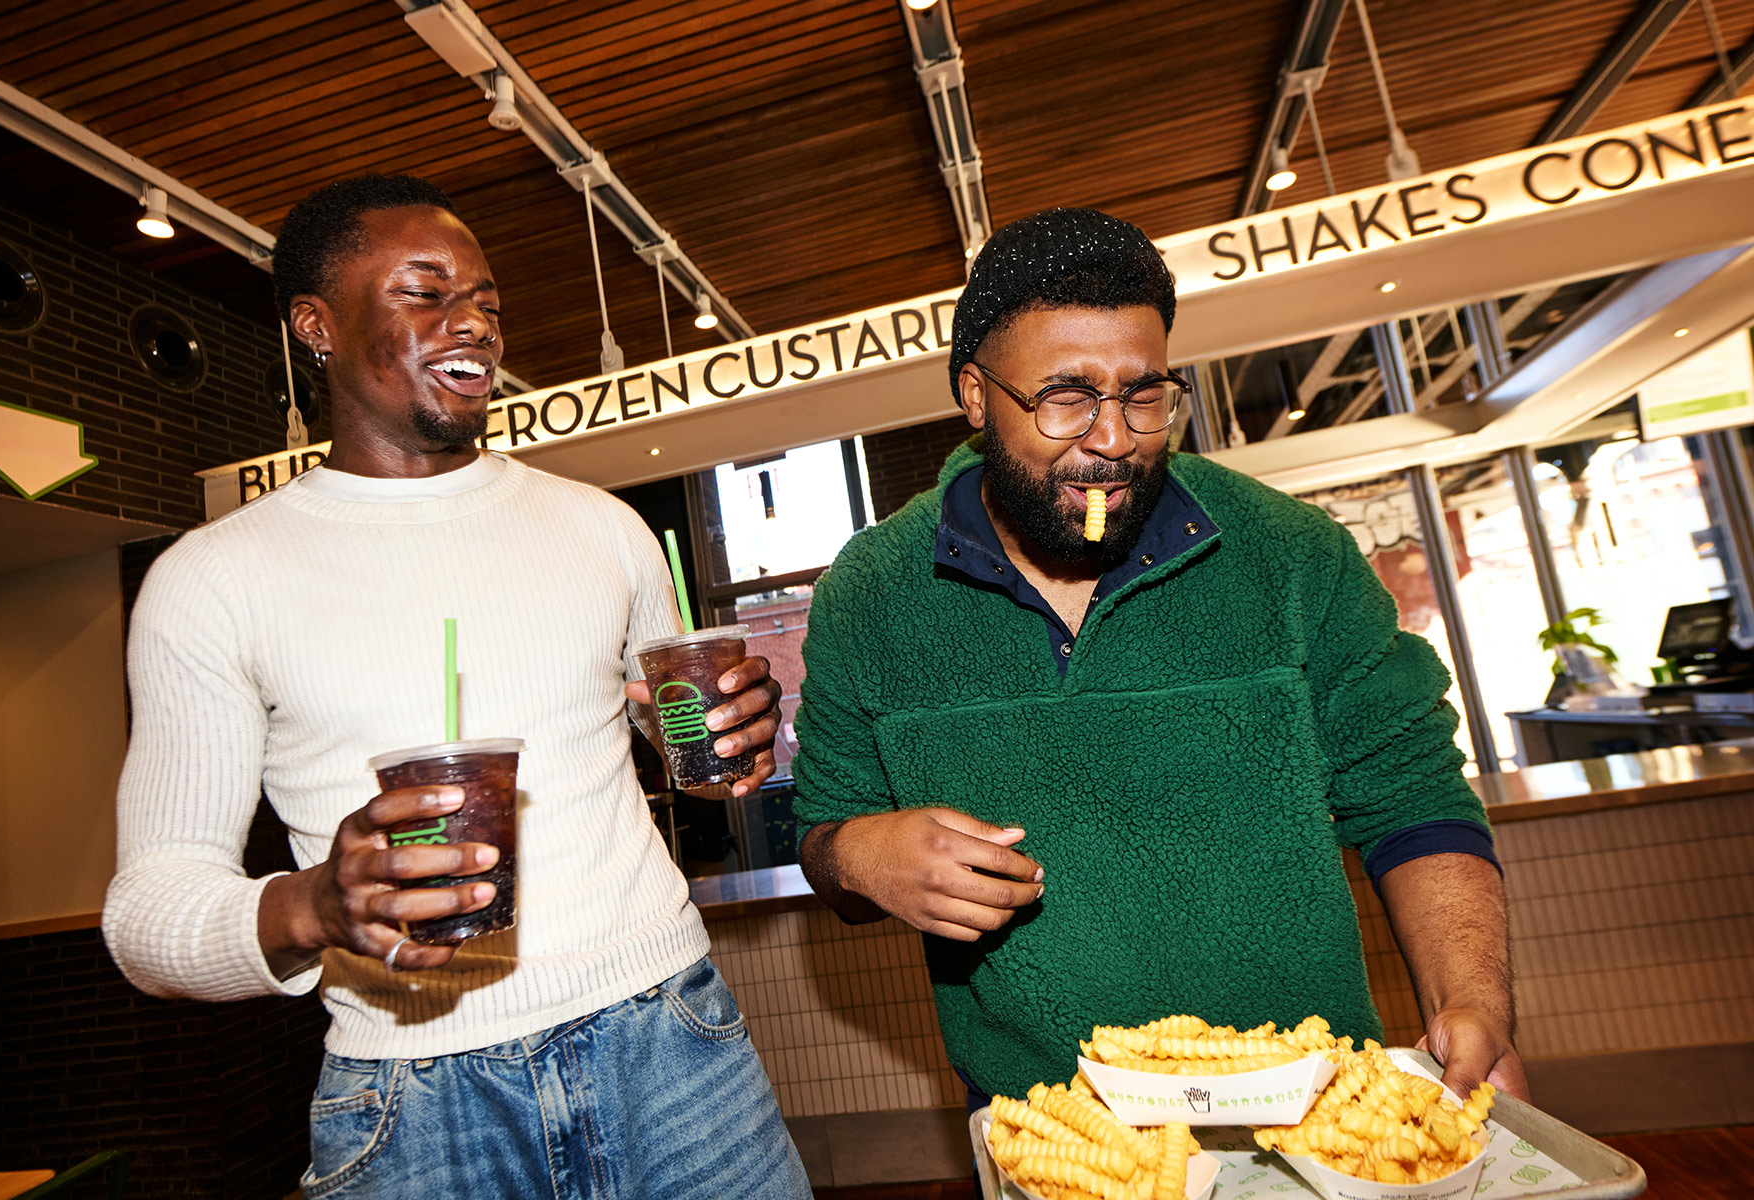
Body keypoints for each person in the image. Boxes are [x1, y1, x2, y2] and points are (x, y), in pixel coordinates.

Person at [103, 175, 811, 1199]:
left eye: (485, 300)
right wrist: (313, 905)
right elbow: (146, 920)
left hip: (673, 1041)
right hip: (415, 1099)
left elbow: (692, 761)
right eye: (424, 293)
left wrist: (721, 744)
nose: (472, 320)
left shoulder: (600, 527)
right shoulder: (212, 579)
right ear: (316, 323)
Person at [791, 207, 1527, 1110]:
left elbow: (1412, 797)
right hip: (1048, 1120)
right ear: (977, 397)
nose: (1112, 439)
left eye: (1145, 395)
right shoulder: (871, 592)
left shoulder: (1291, 555)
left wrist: (1471, 1000)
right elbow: (827, 836)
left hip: (1315, 1102)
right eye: (1065, 397)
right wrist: (861, 855)